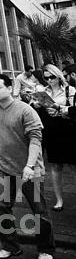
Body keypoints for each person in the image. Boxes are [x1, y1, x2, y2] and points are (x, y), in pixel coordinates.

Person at [0, 72, 54, 259]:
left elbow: (36, 139)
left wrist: (30, 165)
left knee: (39, 211)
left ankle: (45, 248)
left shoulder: (25, 110)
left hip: (29, 169)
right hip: (3, 167)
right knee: (0, 207)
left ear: (10, 88)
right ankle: (10, 246)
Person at [32, 64, 75, 212]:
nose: (49, 80)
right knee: (55, 166)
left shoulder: (69, 90)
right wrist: (37, 104)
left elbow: (73, 110)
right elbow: (35, 105)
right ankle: (59, 200)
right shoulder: (44, 91)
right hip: (51, 129)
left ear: (58, 76)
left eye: (52, 77)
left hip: (67, 129)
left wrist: (59, 108)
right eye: (46, 77)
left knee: (72, 165)